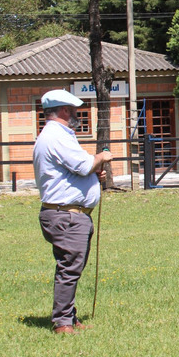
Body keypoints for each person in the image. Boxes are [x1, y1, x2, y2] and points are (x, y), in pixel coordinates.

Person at [32, 89, 113, 335]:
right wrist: (102, 157)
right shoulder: (57, 136)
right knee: (70, 268)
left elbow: (72, 171)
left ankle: (68, 316)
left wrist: (91, 173)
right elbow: (83, 164)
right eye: (75, 110)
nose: (77, 114)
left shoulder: (55, 135)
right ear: (65, 110)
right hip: (67, 216)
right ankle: (63, 323)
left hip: (66, 215)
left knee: (69, 267)